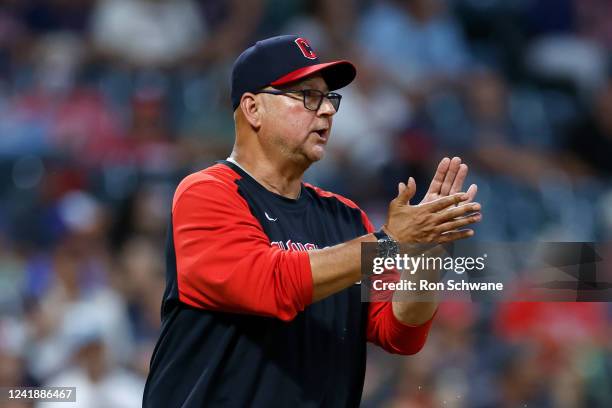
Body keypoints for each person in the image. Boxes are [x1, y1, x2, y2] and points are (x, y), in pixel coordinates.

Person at [143, 35, 481, 407]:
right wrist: (388, 240)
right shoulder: (207, 192)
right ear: (254, 109)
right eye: (308, 96)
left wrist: (425, 254)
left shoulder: (346, 218)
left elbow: (399, 332)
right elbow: (269, 284)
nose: (327, 111)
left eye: (328, 98)